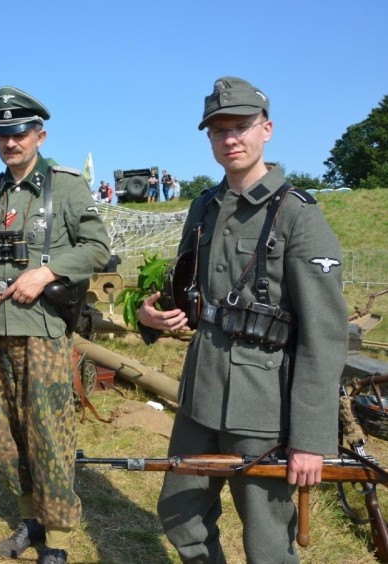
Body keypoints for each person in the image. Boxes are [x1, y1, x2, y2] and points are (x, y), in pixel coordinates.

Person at [137, 76, 348, 562]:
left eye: (242, 126)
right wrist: (153, 317)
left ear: (266, 129)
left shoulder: (299, 216)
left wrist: (310, 440)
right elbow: (188, 292)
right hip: (201, 393)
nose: (230, 138)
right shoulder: (204, 207)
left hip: (264, 404)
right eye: (218, 130)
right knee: (180, 512)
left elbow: (324, 335)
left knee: (266, 539)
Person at [0, 86, 110, 564]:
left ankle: (58, 539)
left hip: (42, 330)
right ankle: (29, 519)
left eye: (19, 132)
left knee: (48, 433)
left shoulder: (65, 186)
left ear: (39, 135)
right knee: (5, 436)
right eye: (2, 133)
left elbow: (96, 247)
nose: (11, 142)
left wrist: (46, 271)